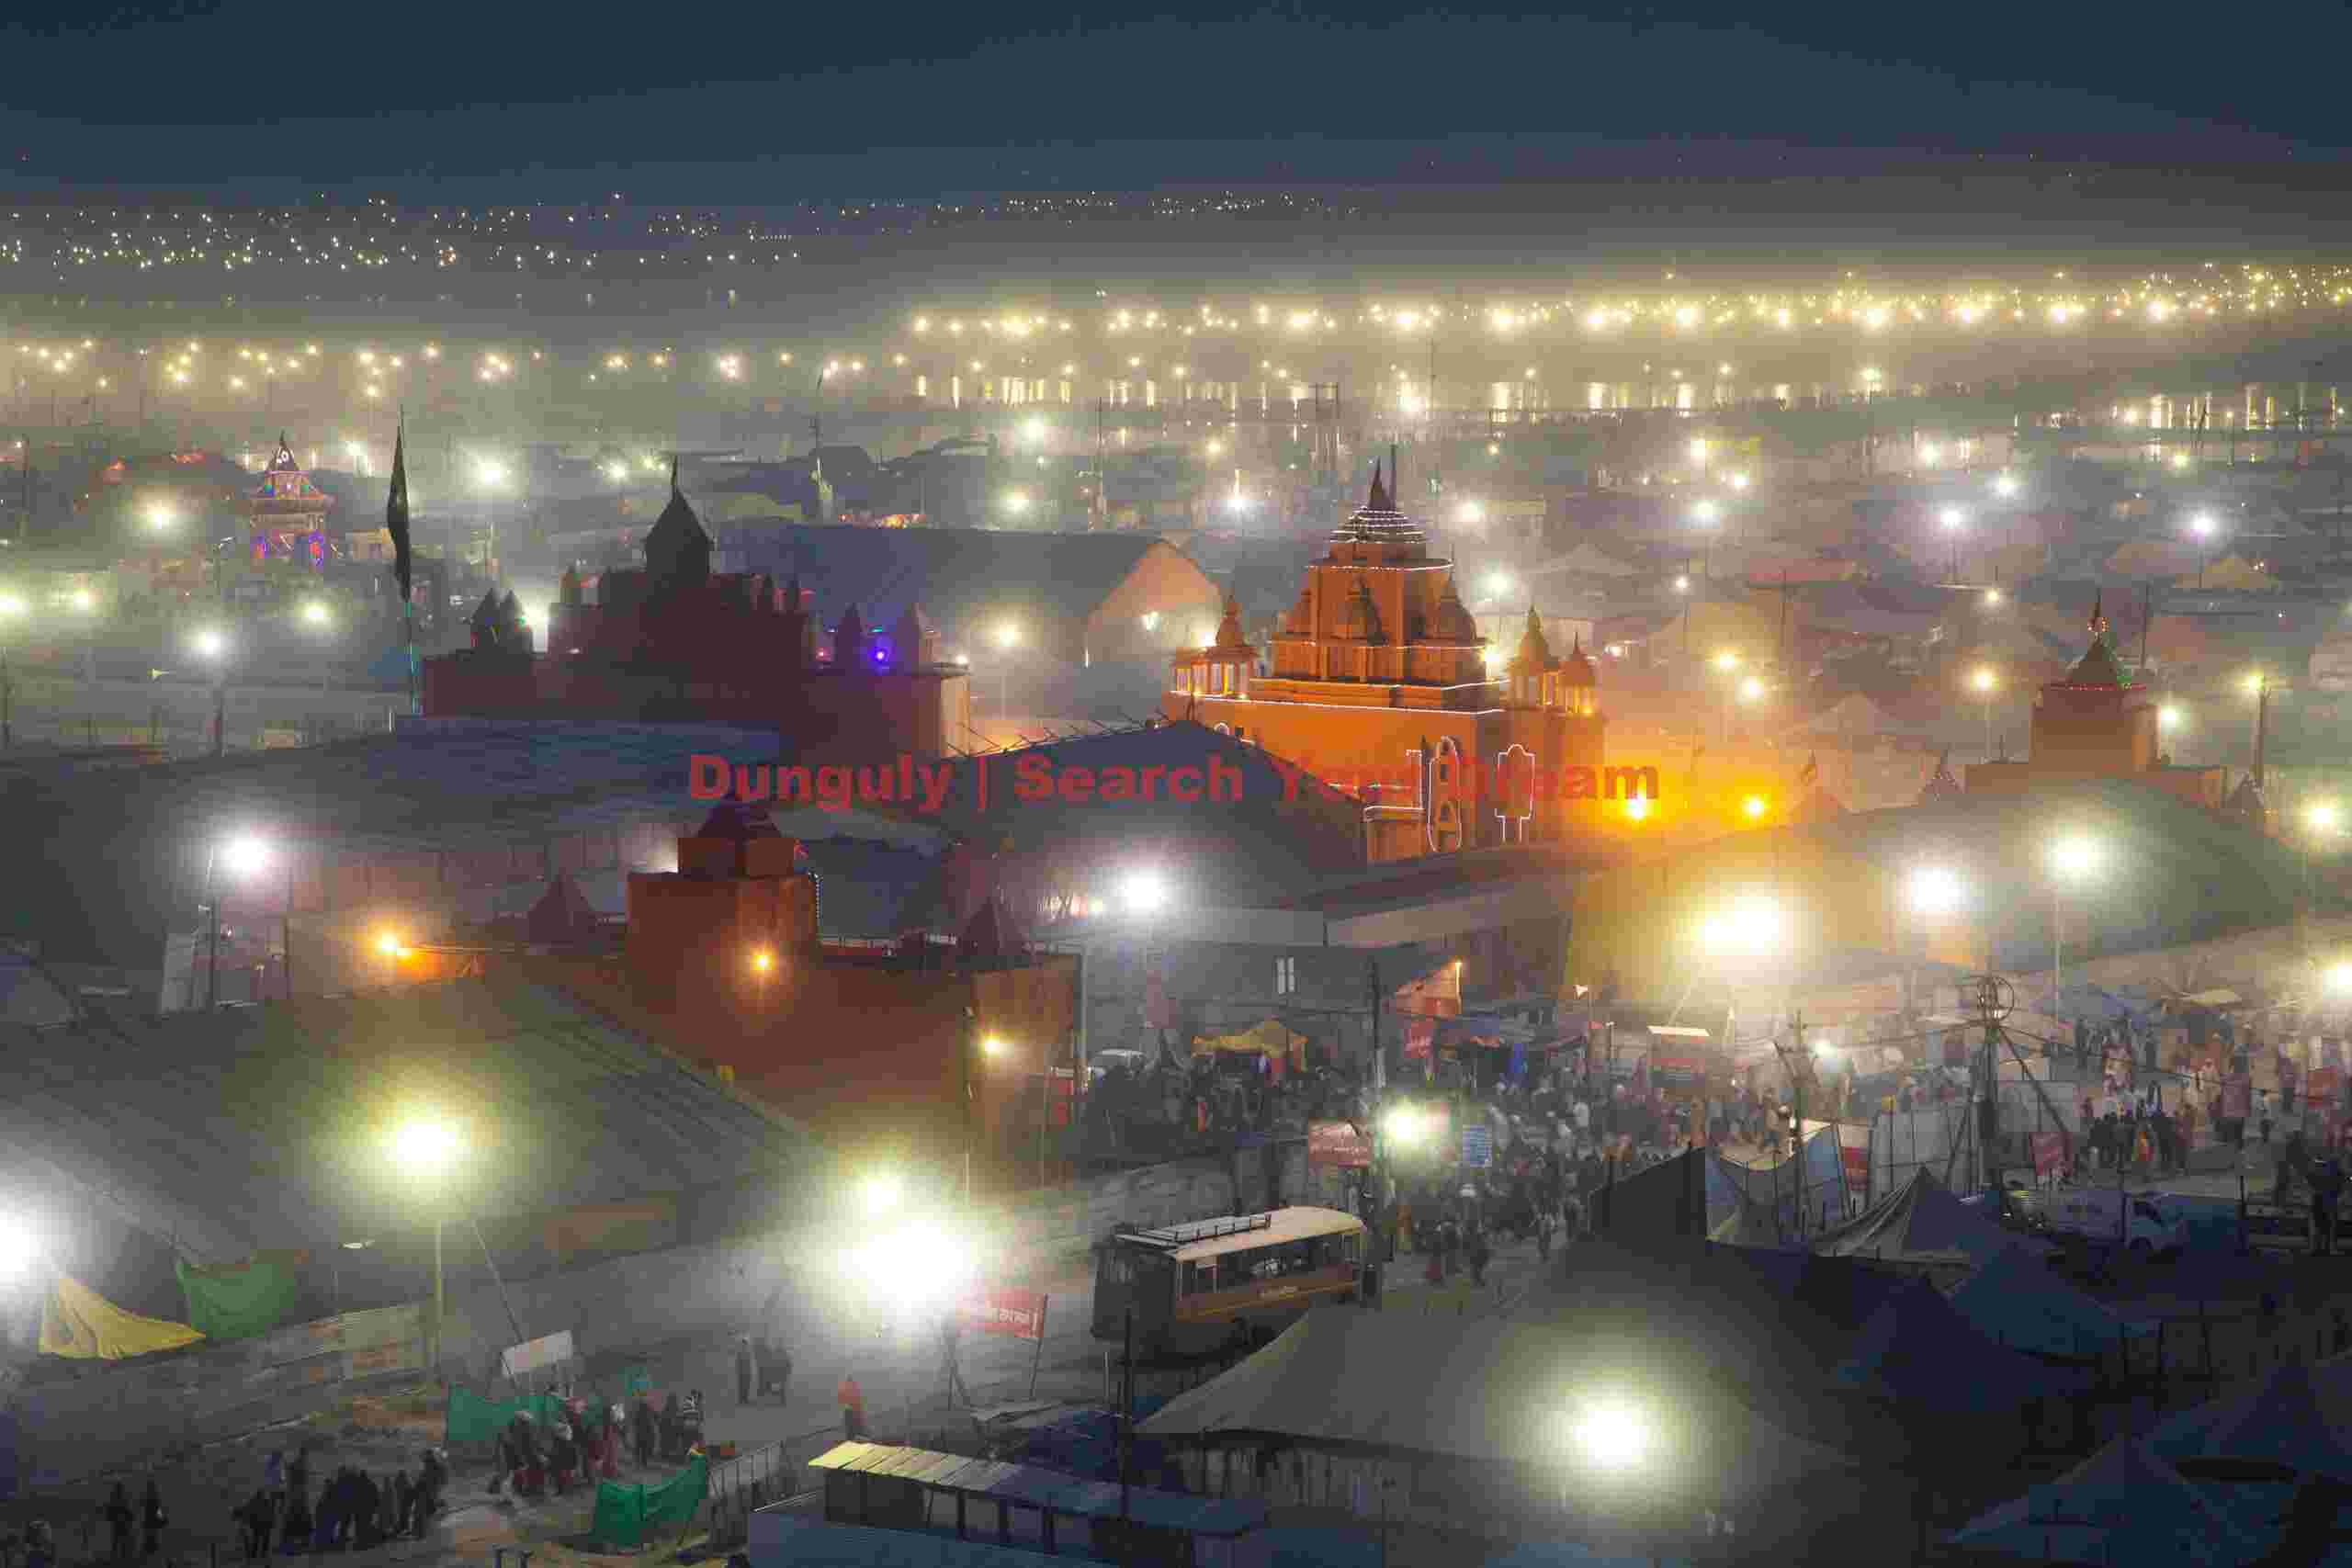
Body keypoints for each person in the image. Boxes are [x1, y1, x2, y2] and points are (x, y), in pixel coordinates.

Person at [102, 1483, 133, 1564]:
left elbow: (110, 1511)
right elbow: (127, 1510)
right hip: (122, 1523)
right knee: (121, 1542)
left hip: (118, 1523)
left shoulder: (115, 1499)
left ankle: (117, 1557)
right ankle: (122, 1557)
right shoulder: (122, 1499)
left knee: (117, 1542)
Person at [139, 1481, 165, 1562]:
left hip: (148, 1522)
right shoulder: (154, 1499)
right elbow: (158, 1511)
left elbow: (142, 1510)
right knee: (152, 1536)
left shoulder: (146, 1499)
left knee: (149, 1536)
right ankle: (151, 1552)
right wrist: (162, 1519)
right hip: (153, 1523)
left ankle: (148, 1551)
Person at [838, 1374, 867, 1440]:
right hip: (854, 1412)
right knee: (856, 1430)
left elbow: (840, 1399)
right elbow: (858, 1401)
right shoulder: (854, 1387)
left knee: (851, 1431)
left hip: (850, 1411)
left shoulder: (844, 1388)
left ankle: (852, 1439)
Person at [630, 1395, 657, 1469]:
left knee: (639, 1449)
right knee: (643, 1449)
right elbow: (656, 1417)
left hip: (640, 1433)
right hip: (645, 1433)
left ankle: (639, 1463)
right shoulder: (648, 1410)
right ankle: (642, 1463)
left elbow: (635, 1422)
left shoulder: (640, 1411)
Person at [736, 1337, 755, 1405]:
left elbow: (748, 1363)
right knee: (743, 1386)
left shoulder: (745, 1351)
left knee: (744, 1386)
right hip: (744, 1372)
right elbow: (739, 1363)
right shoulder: (744, 1352)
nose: (745, 1345)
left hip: (745, 1372)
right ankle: (742, 1399)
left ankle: (743, 1399)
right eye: (745, 1343)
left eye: (745, 1343)